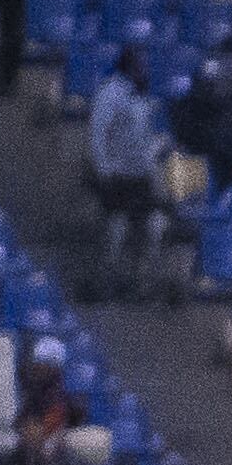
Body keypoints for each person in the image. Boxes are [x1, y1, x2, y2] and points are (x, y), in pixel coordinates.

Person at [85, 44, 170, 300]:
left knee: (156, 224)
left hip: (143, 173)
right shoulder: (110, 93)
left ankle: (143, 279)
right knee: (118, 226)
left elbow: (153, 136)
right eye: (139, 64)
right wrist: (103, 171)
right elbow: (98, 135)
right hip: (117, 173)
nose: (144, 69)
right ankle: (108, 278)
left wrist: (158, 154)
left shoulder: (147, 95)